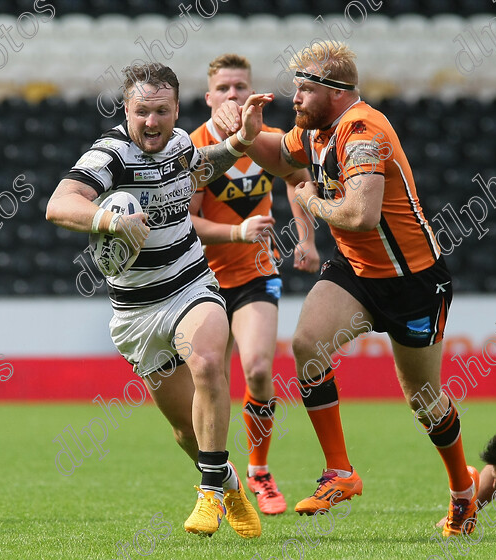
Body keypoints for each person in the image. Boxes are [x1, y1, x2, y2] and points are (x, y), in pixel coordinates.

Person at [214, 41, 479, 536]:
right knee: (306, 344)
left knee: (424, 398)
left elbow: (361, 215)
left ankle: (463, 490)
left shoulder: (363, 132)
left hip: (412, 281)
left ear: (336, 92)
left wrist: (310, 203)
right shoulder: (315, 131)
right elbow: (278, 153)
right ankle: (340, 471)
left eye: (305, 88)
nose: (295, 96)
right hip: (357, 271)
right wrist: (247, 137)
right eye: (295, 86)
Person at [46, 62, 274, 538]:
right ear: (126, 110)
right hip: (138, 311)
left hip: (192, 284)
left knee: (209, 360)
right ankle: (227, 482)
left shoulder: (180, 143)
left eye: (162, 111)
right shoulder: (111, 153)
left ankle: (208, 494)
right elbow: (59, 203)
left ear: (176, 110)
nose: (152, 122)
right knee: (186, 432)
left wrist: (239, 143)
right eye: (142, 111)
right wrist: (109, 221)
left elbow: (198, 171)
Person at [188, 53, 320, 516]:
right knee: (211, 383)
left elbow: (298, 178)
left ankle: (259, 472)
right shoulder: (194, 147)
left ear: (252, 92)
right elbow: (187, 222)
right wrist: (238, 232)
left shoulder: (263, 140)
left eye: (240, 87)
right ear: (208, 97)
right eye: (223, 88)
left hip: (254, 274)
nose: (232, 95)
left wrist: (306, 237)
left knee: (260, 370)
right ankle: (217, 484)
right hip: (201, 282)